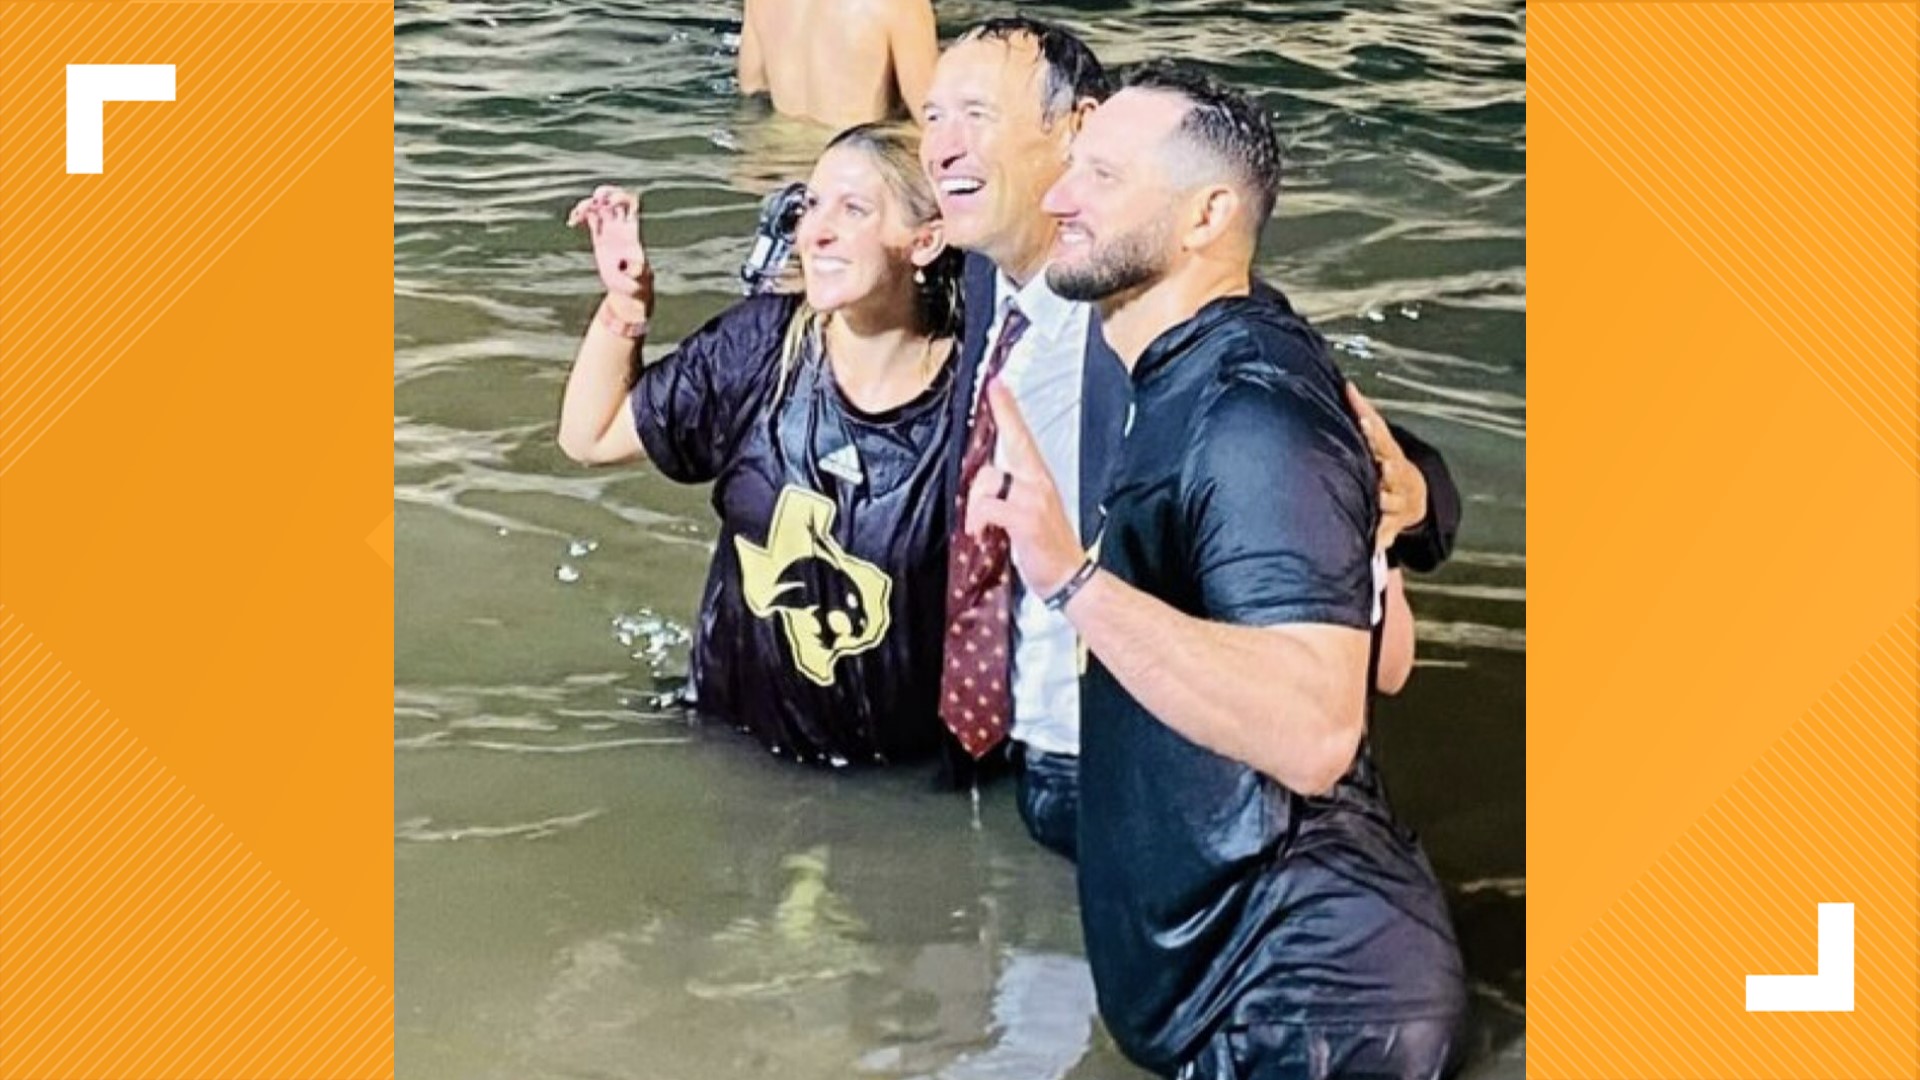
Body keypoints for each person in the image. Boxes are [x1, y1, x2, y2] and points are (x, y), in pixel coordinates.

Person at [969, 62, 1466, 1079]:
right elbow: (1373, 474)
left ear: (1207, 217)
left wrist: (1068, 581)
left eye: (1101, 177)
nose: (1062, 195)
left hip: (1309, 1005)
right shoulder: (1196, 360)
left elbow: (1315, 730)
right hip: (1218, 985)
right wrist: (1418, 500)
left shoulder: (1248, 411)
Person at [918, 16, 1460, 859]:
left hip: (1125, 753)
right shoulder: (984, 276)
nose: (942, 147)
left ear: (1077, 127)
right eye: (931, 116)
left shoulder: (1147, 296)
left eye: (976, 117)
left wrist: (1415, 502)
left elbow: (1326, 435)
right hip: (1001, 738)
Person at [557, 123, 965, 766]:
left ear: (926, 241)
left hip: (893, 782)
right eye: (811, 206)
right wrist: (626, 303)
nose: (815, 232)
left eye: (853, 209)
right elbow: (590, 436)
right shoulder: (762, 348)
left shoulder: (976, 396)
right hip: (730, 747)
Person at [738, 0, 939, 127]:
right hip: (854, 170)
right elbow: (932, 117)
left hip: (778, 162)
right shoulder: (902, 4)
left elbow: (752, 87)